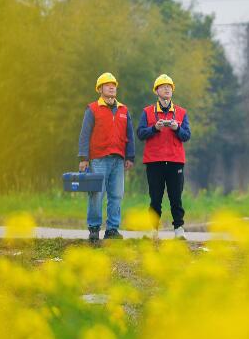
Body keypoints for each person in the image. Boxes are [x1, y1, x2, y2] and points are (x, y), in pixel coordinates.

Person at [78, 72, 135, 244]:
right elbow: (85, 134)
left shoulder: (124, 110)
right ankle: (94, 229)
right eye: (107, 84)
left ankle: (112, 230)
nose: (111, 87)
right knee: (96, 194)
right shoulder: (92, 109)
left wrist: (130, 156)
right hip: (98, 159)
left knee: (116, 195)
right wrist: (83, 157)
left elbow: (130, 135)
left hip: (118, 159)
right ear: (100, 89)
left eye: (113, 85)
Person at [136, 74, 191, 240]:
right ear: (157, 91)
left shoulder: (181, 112)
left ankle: (179, 229)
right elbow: (140, 133)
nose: (167, 89)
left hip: (175, 161)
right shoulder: (147, 111)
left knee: (176, 197)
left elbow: (186, 135)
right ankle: (153, 229)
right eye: (163, 86)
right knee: (155, 198)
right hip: (154, 162)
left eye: (169, 87)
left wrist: (177, 128)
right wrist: (154, 128)